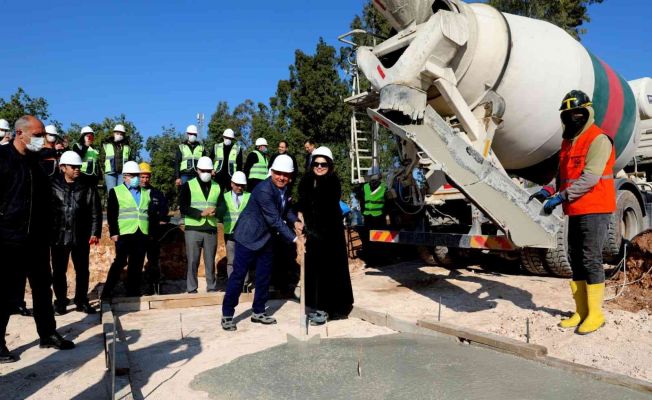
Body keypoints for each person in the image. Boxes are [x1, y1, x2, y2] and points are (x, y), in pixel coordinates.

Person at [530, 90, 615, 335]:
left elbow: (589, 178)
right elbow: (562, 175)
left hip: (595, 207)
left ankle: (596, 314)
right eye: (568, 114)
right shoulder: (568, 141)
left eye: (578, 113)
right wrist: (547, 190)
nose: (573, 117)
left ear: (588, 112)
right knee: (575, 258)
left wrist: (560, 197)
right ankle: (581, 312)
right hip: (575, 209)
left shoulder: (598, 139)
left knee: (590, 259)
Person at [1, 115, 75, 364]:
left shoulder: (38, 163)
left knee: (43, 289)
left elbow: (46, 199)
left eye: (43, 135)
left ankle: (48, 334)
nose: (41, 140)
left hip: (37, 239)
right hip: (9, 239)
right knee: (6, 293)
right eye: (37, 135)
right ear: (19, 134)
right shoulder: (2, 158)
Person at [221, 155, 303, 331]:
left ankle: (258, 311)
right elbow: (274, 219)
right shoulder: (264, 190)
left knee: (264, 277)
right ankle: (227, 314)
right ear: (271, 172)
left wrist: (295, 221)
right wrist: (296, 239)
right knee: (238, 276)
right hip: (247, 238)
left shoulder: (285, 189)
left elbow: (285, 210)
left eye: (286, 174)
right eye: (278, 173)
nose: (282, 177)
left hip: (266, 239)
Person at [297, 146, 353, 325]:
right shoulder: (306, 181)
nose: (319, 166)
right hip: (312, 235)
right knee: (314, 272)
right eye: (316, 163)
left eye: (324, 164)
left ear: (330, 165)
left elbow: (326, 209)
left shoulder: (332, 182)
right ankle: (316, 306)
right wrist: (301, 222)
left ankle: (330, 308)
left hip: (330, 235)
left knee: (330, 271)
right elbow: (303, 204)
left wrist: (315, 231)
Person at [50, 151, 102, 315]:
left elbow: (95, 211)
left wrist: (95, 232)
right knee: (58, 271)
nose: (77, 169)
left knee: (83, 270)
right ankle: (60, 302)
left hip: (81, 236)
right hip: (58, 236)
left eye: (79, 166)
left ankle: (81, 301)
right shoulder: (52, 185)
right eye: (74, 167)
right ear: (63, 167)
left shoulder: (87, 186)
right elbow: (45, 211)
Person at [102, 161, 151, 299]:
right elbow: (112, 214)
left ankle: (133, 293)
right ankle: (107, 292)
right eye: (132, 175)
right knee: (120, 262)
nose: (136, 178)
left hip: (141, 232)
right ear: (125, 177)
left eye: (137, 175)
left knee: (137, 264)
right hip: (124, 233)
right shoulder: (116, 191)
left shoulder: (146, 193)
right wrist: (114, 233)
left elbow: (148, 213)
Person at [179, 156, 221, 293]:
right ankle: (192, 288)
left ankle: (212, 287)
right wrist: (200, 213)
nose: (206, 173)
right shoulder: (188, 185)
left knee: (210, 262)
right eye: (203, 170)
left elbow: (223, 206)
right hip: (193, 229)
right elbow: (183, 207)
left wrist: (217, 211)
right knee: (192, 261)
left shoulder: (217, 186)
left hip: (210, 229)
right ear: (197, 170)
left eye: (209, 171)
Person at [139, 162, 169, 295]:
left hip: (153, 233)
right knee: (137, 261)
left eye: (147, 177)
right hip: (138, 234)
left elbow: (164, 210)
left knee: (153, 261)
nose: (145, 180)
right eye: (142, 177)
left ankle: (153, 287)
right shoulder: (134, 193)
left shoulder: (156, 193)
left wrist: (162, 219)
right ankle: (135, 287)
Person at [217, 171, 249, 278]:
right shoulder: (224, 197)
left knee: (244, 260)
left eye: (242, 185)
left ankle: (244, 284)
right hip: (230, 234)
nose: (240, 187)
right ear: (231, 184)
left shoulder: (249, 196)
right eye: (237, 185)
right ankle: (232, 282)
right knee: (231, 261)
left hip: (245, 235)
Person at [356, 166, 387, 263]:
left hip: (368, 217)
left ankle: (371, 260)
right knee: (380, 239)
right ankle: (381, 260)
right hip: (380, 217)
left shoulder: (364, 187)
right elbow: (388, 202)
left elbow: (360, 200)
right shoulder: (384, 186)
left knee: (370, 240)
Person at [103, 124, 133, 193]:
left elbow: (130, 161)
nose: (119, 135)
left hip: (123, 174)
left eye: (121, 134)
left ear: (124, 135)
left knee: (121, 194)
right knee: (112, 193)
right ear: (114, 134)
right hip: (110, 173)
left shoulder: (127, 147)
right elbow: (102, 158)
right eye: (117, 133)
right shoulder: (107, 144)